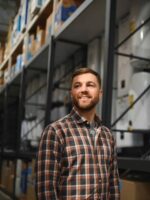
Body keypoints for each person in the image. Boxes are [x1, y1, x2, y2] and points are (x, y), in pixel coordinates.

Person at [36, 67, 120, 199]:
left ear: (100, 93)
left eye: (90, 85)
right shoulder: (56, 131)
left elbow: (113, 184)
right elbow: (46, 191)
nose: (84, 89)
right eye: (77, 85)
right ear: (71, 93)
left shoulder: (108, 135)